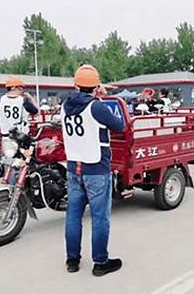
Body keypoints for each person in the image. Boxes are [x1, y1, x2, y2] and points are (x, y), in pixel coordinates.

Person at [61, 64, 124, 276]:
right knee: (99, 217)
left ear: (75, 84)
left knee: (73, 216)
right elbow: (119, 125)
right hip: (96, 169)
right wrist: (100, 99)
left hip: (73, 168)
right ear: (97, 85)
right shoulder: (96, 107)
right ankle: (100, 262)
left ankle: (72, 260)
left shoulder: (64, 105)